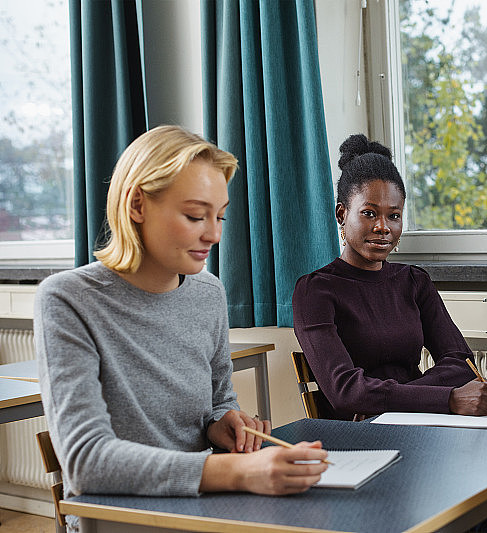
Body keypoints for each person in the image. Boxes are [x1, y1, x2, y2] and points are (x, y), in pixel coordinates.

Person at [35, 126, 328, 530]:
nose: (214, 234)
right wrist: (239, 472)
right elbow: (87, 462)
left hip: (201, 509)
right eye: (195, 216)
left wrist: (223, 424)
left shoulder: (208, 292)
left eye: (220, 216)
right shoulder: (66, 299)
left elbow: (219, 401)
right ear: (137, 204)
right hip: (120, 521)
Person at [292, 134, 487, 421]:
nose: (383, 227)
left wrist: (403, 399)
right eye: (369, 213)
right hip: (359, 434)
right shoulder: (314, 292)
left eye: (394, 216)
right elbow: (346, 393)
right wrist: (447, 398)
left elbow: (461, 363)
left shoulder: (414, 281)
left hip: (420, 420)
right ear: (342, 214)